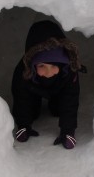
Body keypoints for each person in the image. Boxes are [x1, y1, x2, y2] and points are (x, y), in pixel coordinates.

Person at [11, 20, 82, 149]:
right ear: (32, 64)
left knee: (57, 110)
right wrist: (23, 125)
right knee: (32, 111)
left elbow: (70, 100)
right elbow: (21, 98)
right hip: (34, 88)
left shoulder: (69, 72)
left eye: (54, 65)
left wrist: (68, 131)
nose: (48, 72)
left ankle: (53, 102)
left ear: (62, 64)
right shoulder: (23, 72)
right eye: (42, 65)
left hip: (58, 87)